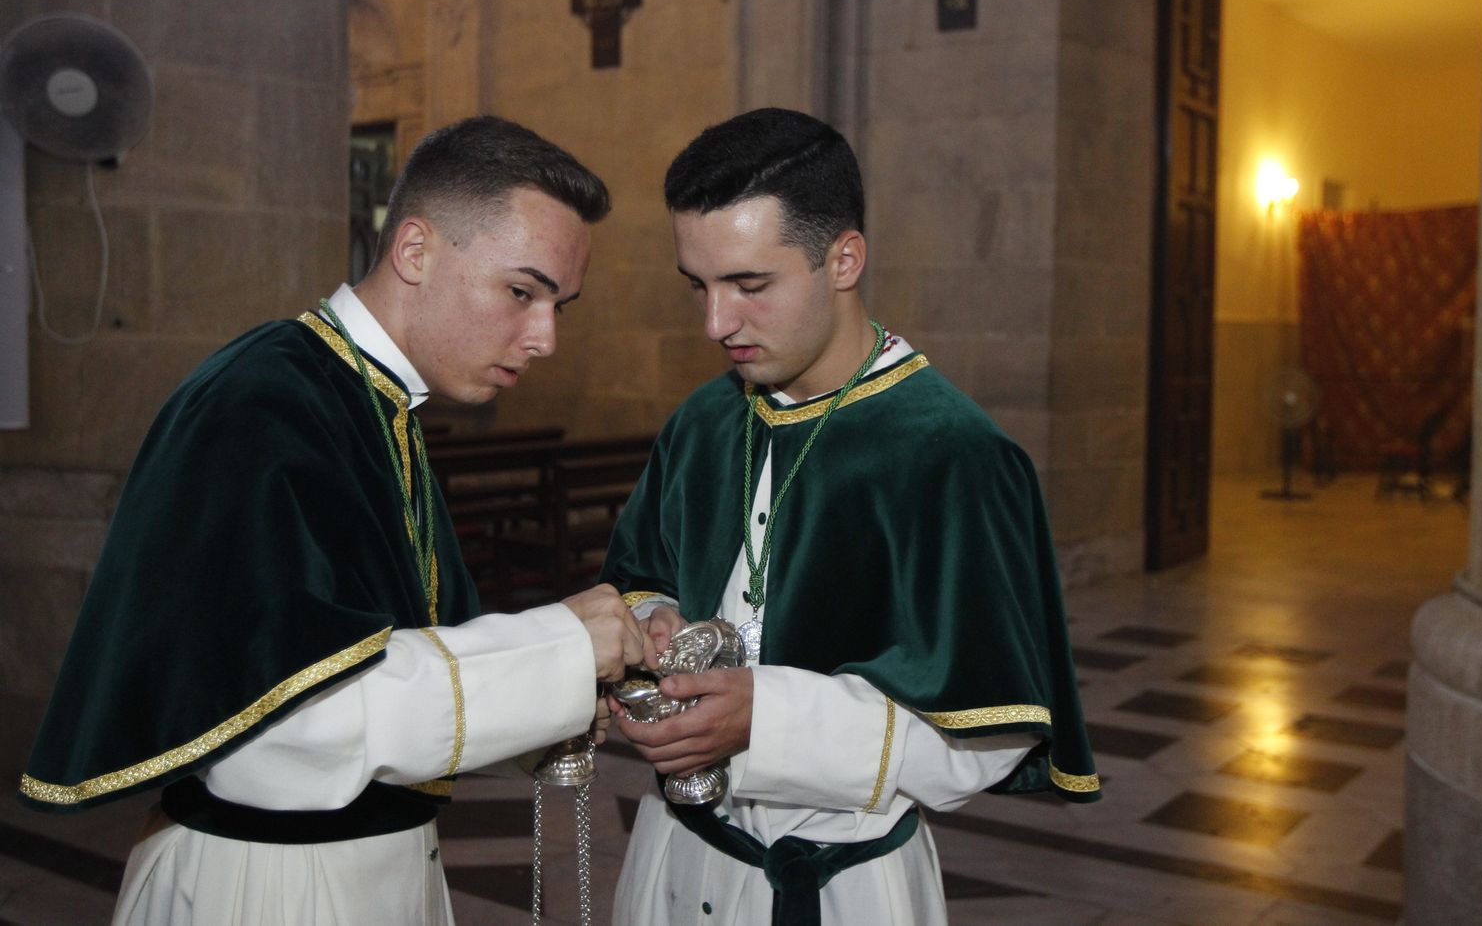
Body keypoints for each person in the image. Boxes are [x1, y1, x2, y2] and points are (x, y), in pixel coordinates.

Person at [18, 115, 649, 925]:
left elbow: (411, 642)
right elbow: (292, 723)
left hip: (374, 868)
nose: (545, 337)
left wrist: (564, 701)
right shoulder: (263, 402)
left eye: (559, 303)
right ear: (414, 250)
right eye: (521, 292)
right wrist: (559, 648)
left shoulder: (372, 401)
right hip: (273, 886)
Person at [600, 107, 1100, 925]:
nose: (715, 323)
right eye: (700, 284)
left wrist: (768, 716)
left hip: (838, 884)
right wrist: (653, 621)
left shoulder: (955, 455)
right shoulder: (703, 422)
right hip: (668, 856)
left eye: (750, 284)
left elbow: (990, 736)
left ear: (844, 258)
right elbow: (638, 574)